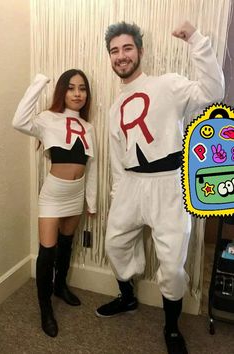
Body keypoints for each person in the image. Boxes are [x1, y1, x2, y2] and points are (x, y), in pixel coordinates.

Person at [95, 21, 224, 354]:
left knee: (171, 262)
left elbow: (213, 92)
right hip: (131, 184)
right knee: (115, 243)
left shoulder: (167, 85)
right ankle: (127, 298)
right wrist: (118, 198)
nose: (121, 56)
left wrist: (196, 40)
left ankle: (171, 327)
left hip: (169, 184)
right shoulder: (113, 110)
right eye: (114, 51)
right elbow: (116, 161)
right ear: (110, 58)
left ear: (140, 51)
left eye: (126, 48)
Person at [12, 69, 97, 337]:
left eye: (82, 88)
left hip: (76, 192)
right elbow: (19, 121)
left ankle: (60, 286)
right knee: (47, 252)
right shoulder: (48, 119)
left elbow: (91, 168)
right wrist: (39, 82)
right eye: (71, 88)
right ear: (62, 91)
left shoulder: (89, 127)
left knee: (65, 245)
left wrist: (91, 202)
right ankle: (45, 307)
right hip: (53, 194)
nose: (77, 93)